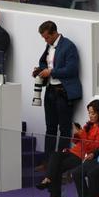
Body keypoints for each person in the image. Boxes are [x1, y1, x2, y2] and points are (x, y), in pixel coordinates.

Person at [37, 99, 99, 197]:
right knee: (55, 155)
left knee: (57, 167)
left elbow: (95, 148)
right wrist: (77, 134)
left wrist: (82, 134)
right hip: (74, 152)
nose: (90, 116)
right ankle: (48, 180)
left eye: (93, 113)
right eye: (89, 113)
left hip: (83, 157)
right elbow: (77, 142)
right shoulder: (88, 125)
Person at [34, 20, 82, 156]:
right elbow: (44, 62)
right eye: (43, 38)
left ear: (54, 33)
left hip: (63, 91)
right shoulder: (49, 46)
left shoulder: (68, 46)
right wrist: (41, 70)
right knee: (50, 127)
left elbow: (72, 69)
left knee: (64, 129)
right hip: (50, 89)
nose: (45, 40)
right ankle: (47, 160)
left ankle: (60, 161)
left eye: (47, 37)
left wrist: (51, 72)